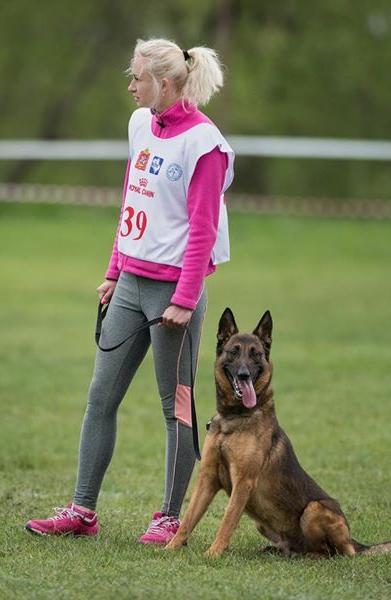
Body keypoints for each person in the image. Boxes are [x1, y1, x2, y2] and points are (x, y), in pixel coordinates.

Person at [25, 38, 234, 544]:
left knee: (175, 408)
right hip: (129, 286)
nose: (130, 85)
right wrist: (115, 270)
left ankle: (170, 518)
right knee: (100, 396)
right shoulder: (141, 123)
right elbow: (131, 201)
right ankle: (82, 511)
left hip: (173, 296)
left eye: (136, 77)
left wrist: (185, 298)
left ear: (164, 82)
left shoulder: (204, 143)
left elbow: (203, 229)